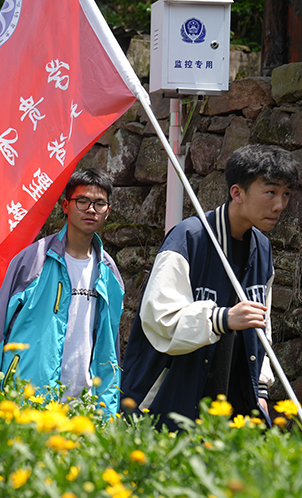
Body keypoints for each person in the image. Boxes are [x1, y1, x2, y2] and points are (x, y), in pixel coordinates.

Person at [121, 144, 300, 429]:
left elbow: (259, 324)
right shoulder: (188, 239)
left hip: (236, 402)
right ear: (237, 192)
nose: (279, 205)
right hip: (171, 400)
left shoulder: (262, 248)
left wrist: (261, 389)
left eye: (286, 194)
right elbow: (159, 319)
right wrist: (222, 318)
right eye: (270, 192)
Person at [0, 169, 124, 415]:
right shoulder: (33, 261)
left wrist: (108, 409)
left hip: (84, 406)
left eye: (99, 203)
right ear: (65, 205)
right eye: (82, 201)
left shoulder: (109, 273)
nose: (91, 209)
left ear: (108, 211)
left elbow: (110, 347)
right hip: (30, 400)